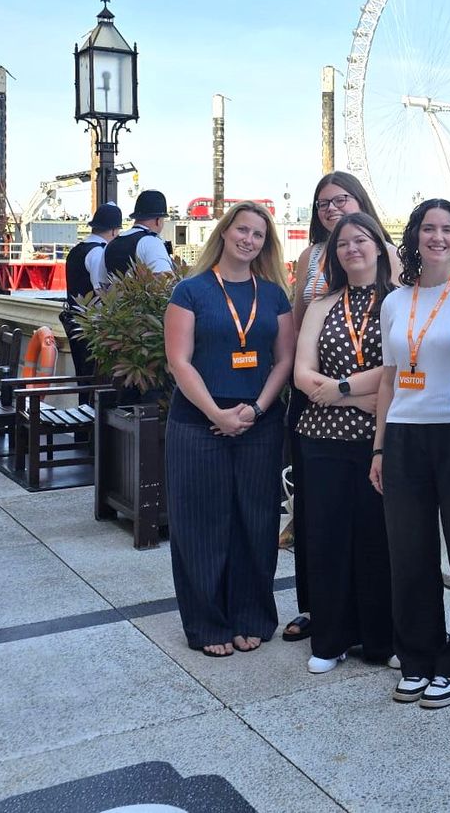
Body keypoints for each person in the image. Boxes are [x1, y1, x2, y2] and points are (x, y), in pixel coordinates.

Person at [369, 199, 450, 709]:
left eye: (447, 229)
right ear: (414, 237)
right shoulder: (395, 302)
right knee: (409, 554)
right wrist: (379, 446)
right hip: (404, 435)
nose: (437, 237)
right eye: (428, 228)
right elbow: (389, 380)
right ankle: (417, 656)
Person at [163, 201, 295, 658]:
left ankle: (251, 616)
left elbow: (285, 360)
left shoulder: (274, 295)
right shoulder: (190, 291)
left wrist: (257, 409)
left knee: (256, 522)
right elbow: (179, 361)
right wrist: (216, 415)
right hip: (198, 422)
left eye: (258, 234)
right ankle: (207, 623)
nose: (249, 240)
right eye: (242, 230)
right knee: (200, 524)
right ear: (224, 232)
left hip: (259, 422)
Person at [283, 171, 399, 645]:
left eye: (341, 200)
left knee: (374, 526)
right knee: (318, 517)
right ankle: (320, 611)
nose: (331, 209)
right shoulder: (311, 258)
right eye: (323, 203)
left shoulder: (387, 256)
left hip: (371, 406)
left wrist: (347, 390)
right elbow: (299, 329)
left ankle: (377, 625)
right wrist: (329, 389)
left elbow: (402, 349)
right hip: (320, 399)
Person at [60, 201, 122, 401]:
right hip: (91, 327)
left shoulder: (77, 250)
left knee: (84, 379)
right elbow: (101, 290)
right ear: (114, 231)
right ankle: (89, 418)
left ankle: (83, 416)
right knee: (93, 379)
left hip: (75, 321)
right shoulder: (98, 252)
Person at [102, 189, 175, 283]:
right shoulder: (151, 242)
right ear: (158, 220)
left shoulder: (110, 244)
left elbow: (101, 284)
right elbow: (166, 280)